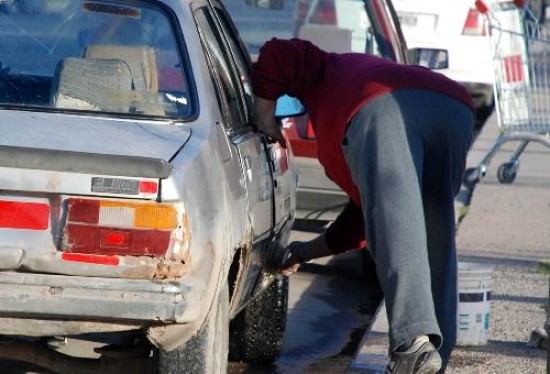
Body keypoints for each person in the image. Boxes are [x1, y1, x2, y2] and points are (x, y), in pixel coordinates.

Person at [252, 38, 474, 374]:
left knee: (400, 230)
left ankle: (413, 345)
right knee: (434, 233)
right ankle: (433, 362)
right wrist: (303, 252)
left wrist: (265, 118)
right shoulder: (350, 70)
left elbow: (277, 53)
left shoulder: (322, 69)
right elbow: (363, 222)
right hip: (452, 107)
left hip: (381, 106)